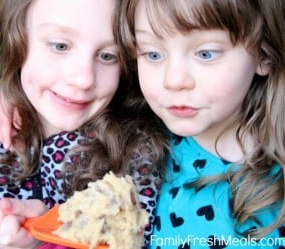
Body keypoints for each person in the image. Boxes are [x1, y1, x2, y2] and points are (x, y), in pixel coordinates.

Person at [0, 0, 168, 248]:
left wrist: (48, 242)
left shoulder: (137, 150)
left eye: (107, 56)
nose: (84, 79)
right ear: (17, 38)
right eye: (60, 46)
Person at [119, 0, 285, 248]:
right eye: (153, 54)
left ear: (263, 54)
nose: (174, 80)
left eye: (206, 53)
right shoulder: (131, 150)